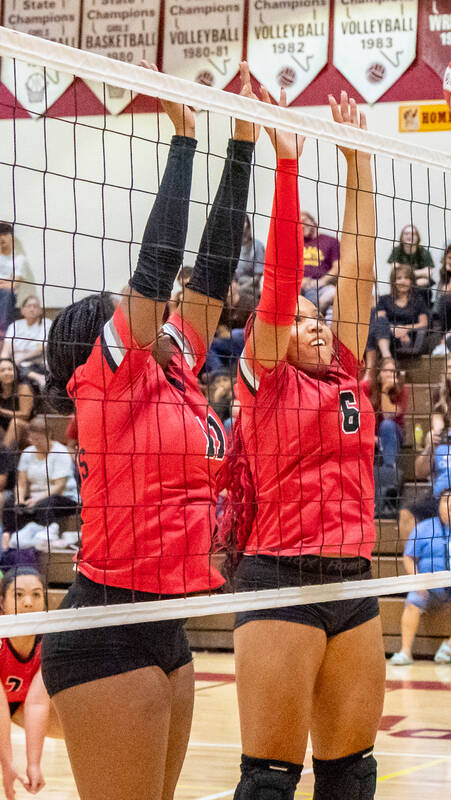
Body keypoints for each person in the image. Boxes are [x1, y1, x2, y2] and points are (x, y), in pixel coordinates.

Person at [39, 64, 255, 800]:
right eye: (131, 315)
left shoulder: (175, 364)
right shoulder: (105, 381)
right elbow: (157, 270)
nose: (157, 318)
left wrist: (245, 146)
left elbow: (212, 275)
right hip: (103, 628)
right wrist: (185, 141)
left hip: (169, 625)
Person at [226, 93, 383, 798]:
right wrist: (288, 162)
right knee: (269, 783)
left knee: (351, 779)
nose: (318, 325)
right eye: (305, 320)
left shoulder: (347, 370)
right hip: (280, 578)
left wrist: (359, 164)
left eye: (324, 320)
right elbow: (282, 286)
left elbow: (359, 276)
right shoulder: (262, 380)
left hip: (352, 580)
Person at [394, 488, 451, 666]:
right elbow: (409, 557)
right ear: (438, 505)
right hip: (429, 588)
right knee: (413, 600)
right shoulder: (423, 528)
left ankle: (450, 646)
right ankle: (405, 651)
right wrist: (417, 580)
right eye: (445, 500)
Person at [0, 568, 60, 800]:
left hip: (21, 704)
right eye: (18, 595)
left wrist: (33, 764)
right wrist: (7, 764)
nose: (28, 602)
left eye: (36, 595)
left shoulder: (49, 642)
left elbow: (37, 703)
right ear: (2, 604)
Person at [3, 416, 78, 543]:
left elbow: (59, 486)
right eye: (32, 439)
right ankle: (8, 535)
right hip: (35, 498)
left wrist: (37, 499)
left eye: (38, 439)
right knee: (10, 501)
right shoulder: (27, 452)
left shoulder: (60, 452)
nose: (35, 442)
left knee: (46, 503)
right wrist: (20, 499)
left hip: (62, 497)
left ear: (48, 435)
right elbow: (21, 483)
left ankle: (49, 531)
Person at [363, 358, 408, 518]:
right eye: (386, 371)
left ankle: (390, 469)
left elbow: (389, 415)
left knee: (387, 425)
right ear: (379, 373)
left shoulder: (402, 389)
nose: (389, 375)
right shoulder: (365, 387)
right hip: (368, 434)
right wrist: (369, 436)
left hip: (393, 434)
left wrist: (385, 391)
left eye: (393, 372)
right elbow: (359, 416)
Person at [369, 263, 431, 362]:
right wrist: (394, 329)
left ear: (411, 281)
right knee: (375, 318)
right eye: (399, 278)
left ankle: (386, 360)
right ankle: (387, 357)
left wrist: (404, 329)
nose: (403, 281)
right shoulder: (384, 300)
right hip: (387, 336)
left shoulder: (418, 300)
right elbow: (379, 321)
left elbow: (423, 323)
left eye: (407, 277)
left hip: (410, 339)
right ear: (393, 281)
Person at [1, 296, 47, 387]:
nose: (32, 309)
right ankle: (37, 377)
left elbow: (40, 349)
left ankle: (37, 376)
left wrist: (20, 359)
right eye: (29, 306)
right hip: (16, 364)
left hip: (36, 364)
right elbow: (6, 349)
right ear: (22, 310)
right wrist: (3, 361)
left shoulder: (46, 323)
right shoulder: (15, 325)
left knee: (21, 377)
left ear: (41, 310)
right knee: (7, 368)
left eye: (35, 306)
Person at [387, 224, 437, 300]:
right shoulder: (397, 250)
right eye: (406, 234)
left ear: (417, 237)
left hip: (419, 284)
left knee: (423, 285)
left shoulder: (424, 252)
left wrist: (408, 274)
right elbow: (394, 268)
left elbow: (429, 272)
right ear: (402, 237)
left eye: (413, 234)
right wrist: (415, 274)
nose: (409, 236)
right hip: (402, 281)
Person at [0, 224, 34, 333]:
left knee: (7, 293)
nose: (2, 237)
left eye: (5, 234)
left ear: (12, 237)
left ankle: (3, 333)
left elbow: (14, 285)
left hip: (8, 295)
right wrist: (6, 281)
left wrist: (6, 283)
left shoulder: (19, 259)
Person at [0, 360, 32, 462]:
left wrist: (2, 411)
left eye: (10, 369)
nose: (7, 373)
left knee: (15, 423)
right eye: (2, 370)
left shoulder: (23, 388)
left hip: (25, 429)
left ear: (15, 372)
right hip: (4, 431)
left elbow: (25, 414)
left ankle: (3, 461)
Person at [234, 216, 266, 300]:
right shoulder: (232, 245)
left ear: (248, 224)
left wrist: (239, 289)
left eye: (243, 221)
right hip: (233, 287)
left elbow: (257, 278)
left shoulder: (257, 245)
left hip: (249, 289)